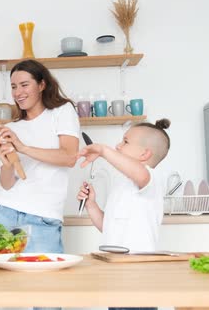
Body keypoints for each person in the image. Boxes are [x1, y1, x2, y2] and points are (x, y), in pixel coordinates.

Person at [0, 59, 79, 310]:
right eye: (13, 87)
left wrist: (23, 147)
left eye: (24, 84)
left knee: (46, 300)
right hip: (4, 213)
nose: (18, 93)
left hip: (43, 220)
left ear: (42, 84)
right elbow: (6, 184)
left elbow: (68, 157)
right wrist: (6, 162)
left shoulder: (62, 112)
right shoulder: (11, 127)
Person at [76, 119, 171, 310]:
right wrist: (92, 205)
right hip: (115, 274)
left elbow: (141, 174)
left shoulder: (151, 178)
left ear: (145, 154)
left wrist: (103, 151)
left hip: (138, 277)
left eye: (125, 142)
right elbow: (107, 226)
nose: (118, 145)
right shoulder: (122, 184)